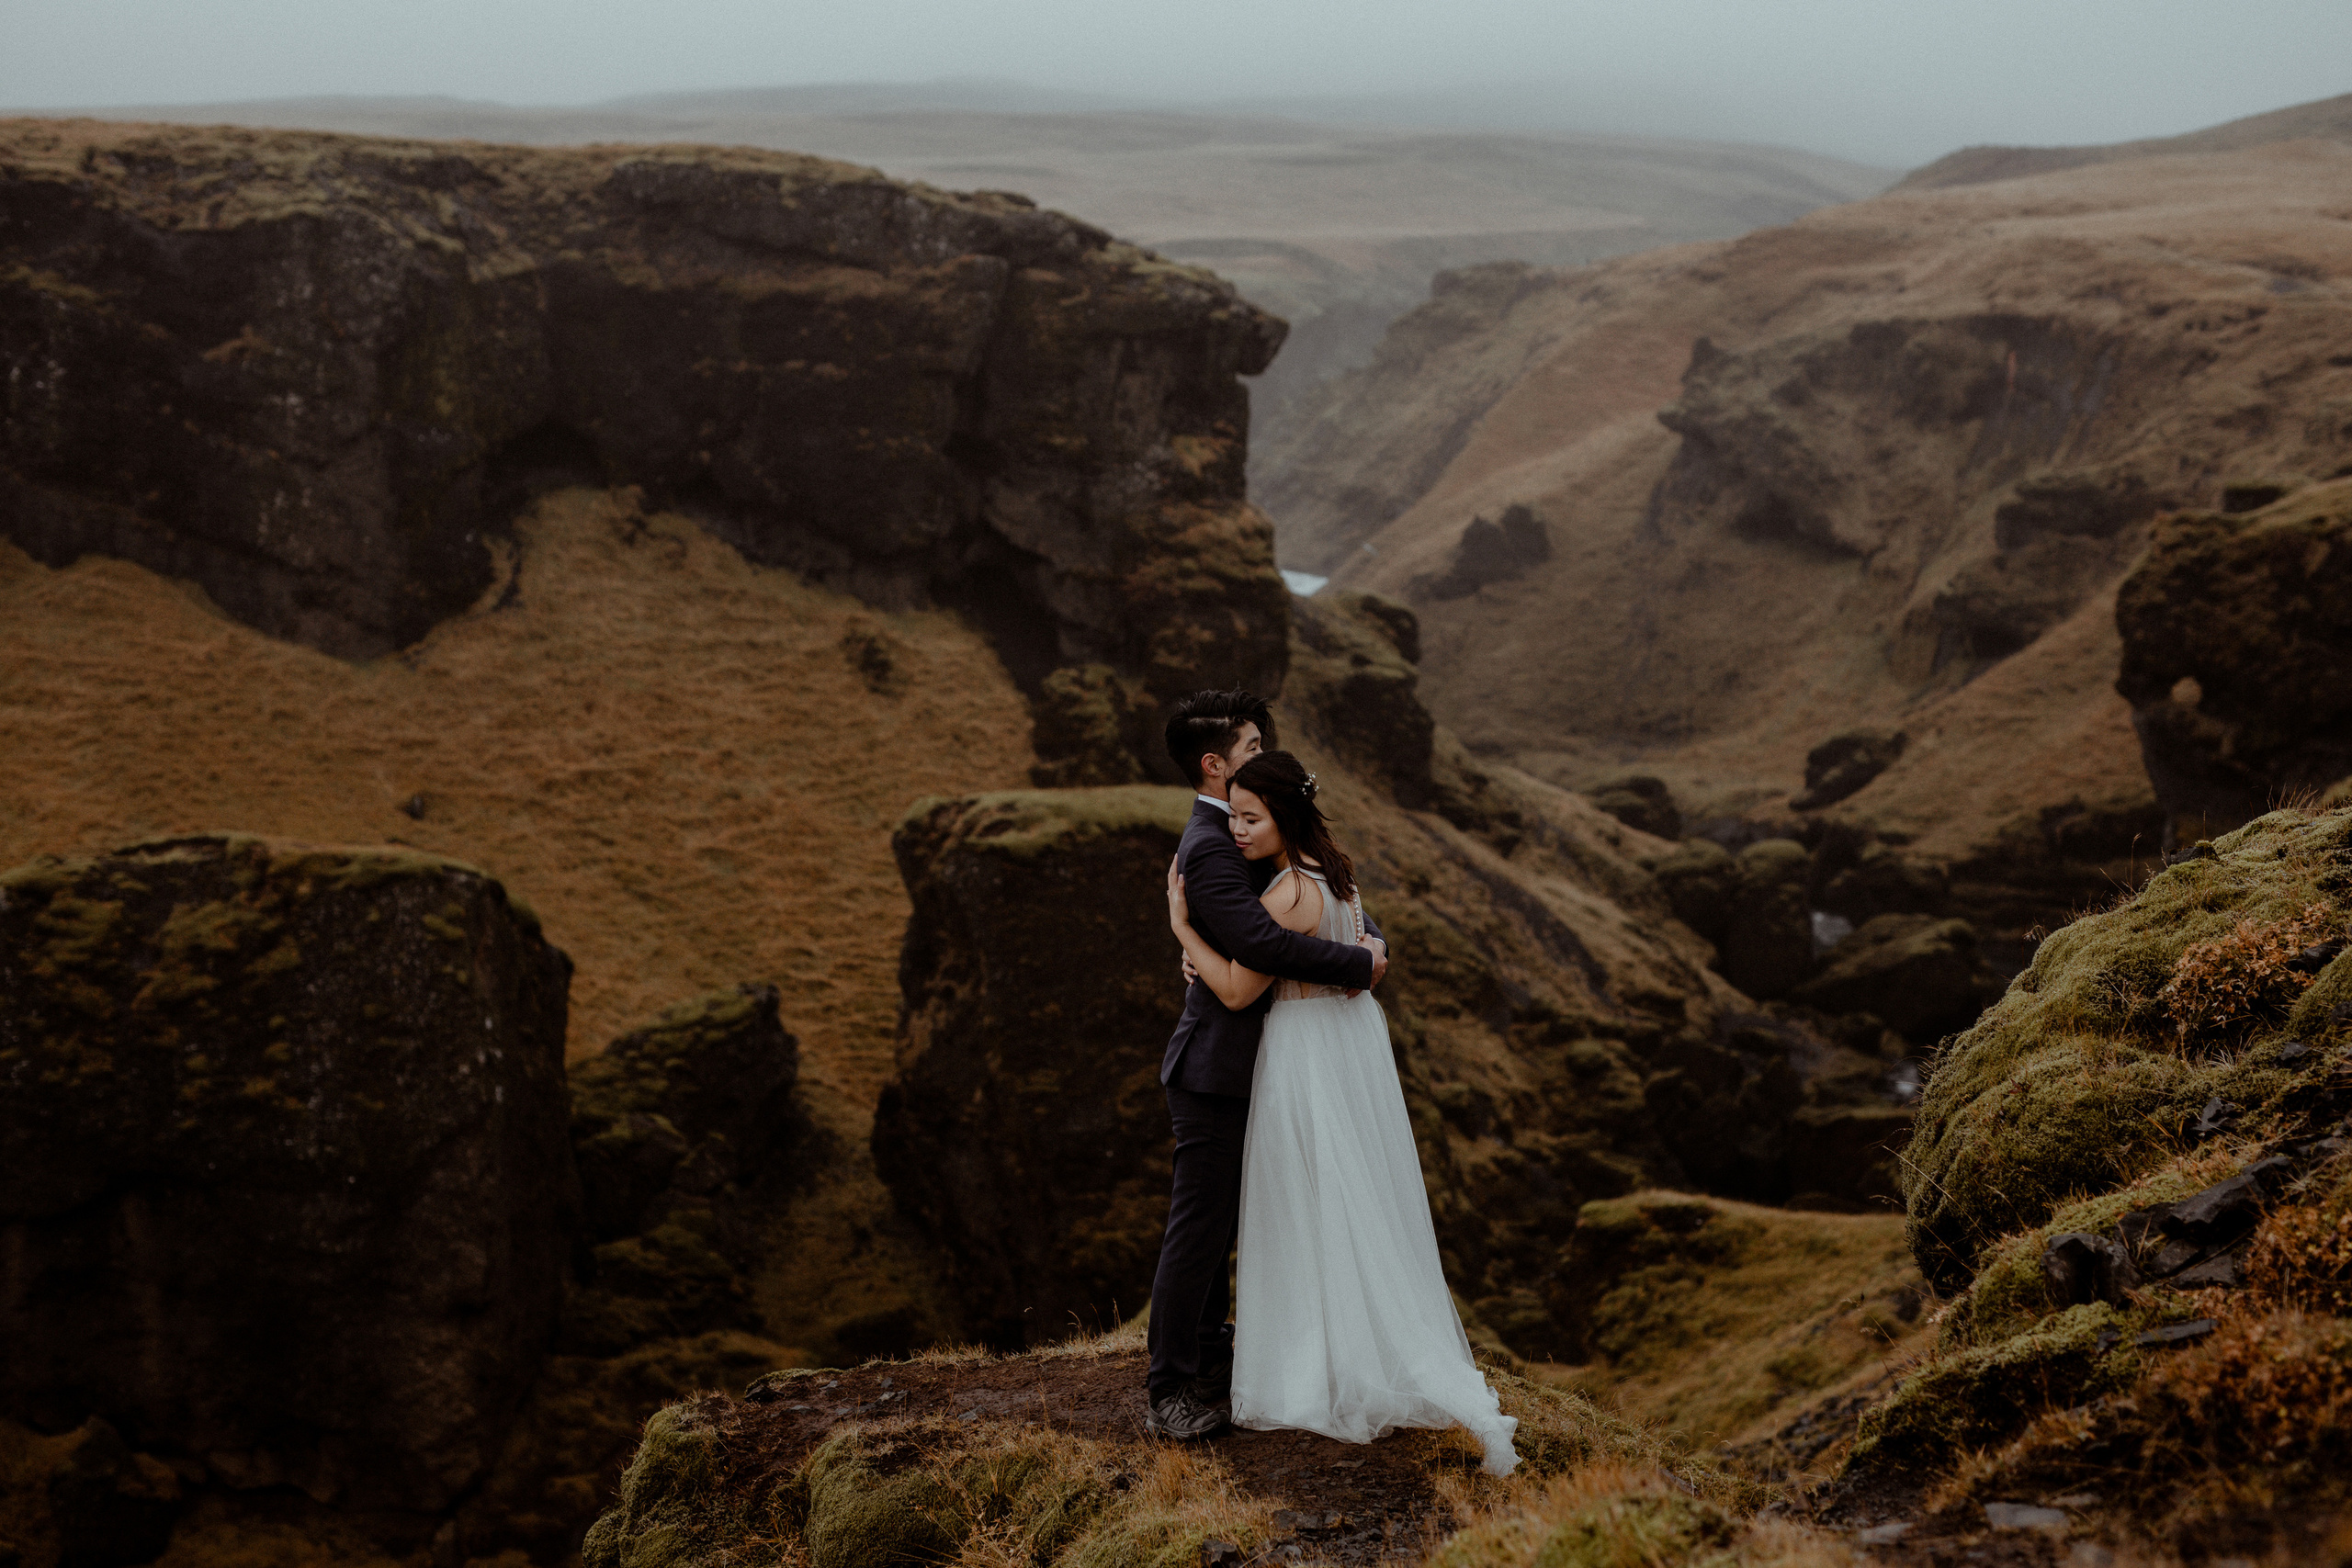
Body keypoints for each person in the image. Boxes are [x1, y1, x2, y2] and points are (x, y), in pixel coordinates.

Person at [1165, 749, 1520, 1476]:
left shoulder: (1289, 891)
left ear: (1284, 816)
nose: (1236, 829)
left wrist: (1183, 928)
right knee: (1345, 1204)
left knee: (1297, 1207)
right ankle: (1351, 1348)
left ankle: (1310, 1368)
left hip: (1299, 1056)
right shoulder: (1339, 878)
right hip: (1341, 1047)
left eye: (1251, 817)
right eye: (1232, 814)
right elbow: (1353, 951)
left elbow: (1235, 989)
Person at [1145, 692, 1388, 1442]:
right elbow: (1262, 942)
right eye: (1251, 744)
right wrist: (1359, 962)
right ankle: (1170, 1389)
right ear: (1215, 764)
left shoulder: (1260, 839)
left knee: (1228, 1228)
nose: (1264, 752)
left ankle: (1214, 1357)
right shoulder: (1215, 844)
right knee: (1199, 1228)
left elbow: (1328, 891)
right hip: (1215, 1067)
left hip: (1268, 1068)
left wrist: (1370, 940)